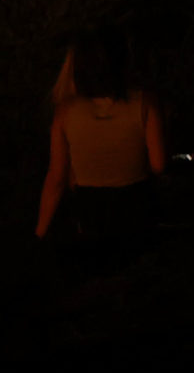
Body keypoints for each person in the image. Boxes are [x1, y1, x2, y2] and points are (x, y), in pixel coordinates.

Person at [36, 30, 166, 258]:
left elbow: (57, 177)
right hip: (136, 211)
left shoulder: (66, 111)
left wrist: (40, 232)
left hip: (90, 216)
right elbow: (159, 165)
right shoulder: (145, 103)